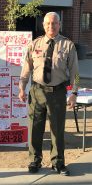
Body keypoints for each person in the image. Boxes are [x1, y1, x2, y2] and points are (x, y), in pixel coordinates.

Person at [18, 12, 80, 176]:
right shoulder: (35, 44)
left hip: (58, 92)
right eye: (48, 23)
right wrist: (21, 88)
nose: (51, 26)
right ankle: (34, 161)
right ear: (43, 25)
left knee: (57, 130)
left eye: (54, 23)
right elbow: (26, 69)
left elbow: (75, 72)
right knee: (35, 129)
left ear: (59, 25)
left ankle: (58, 163)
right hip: (37, 91)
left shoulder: (68, 45)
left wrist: (74, 92)